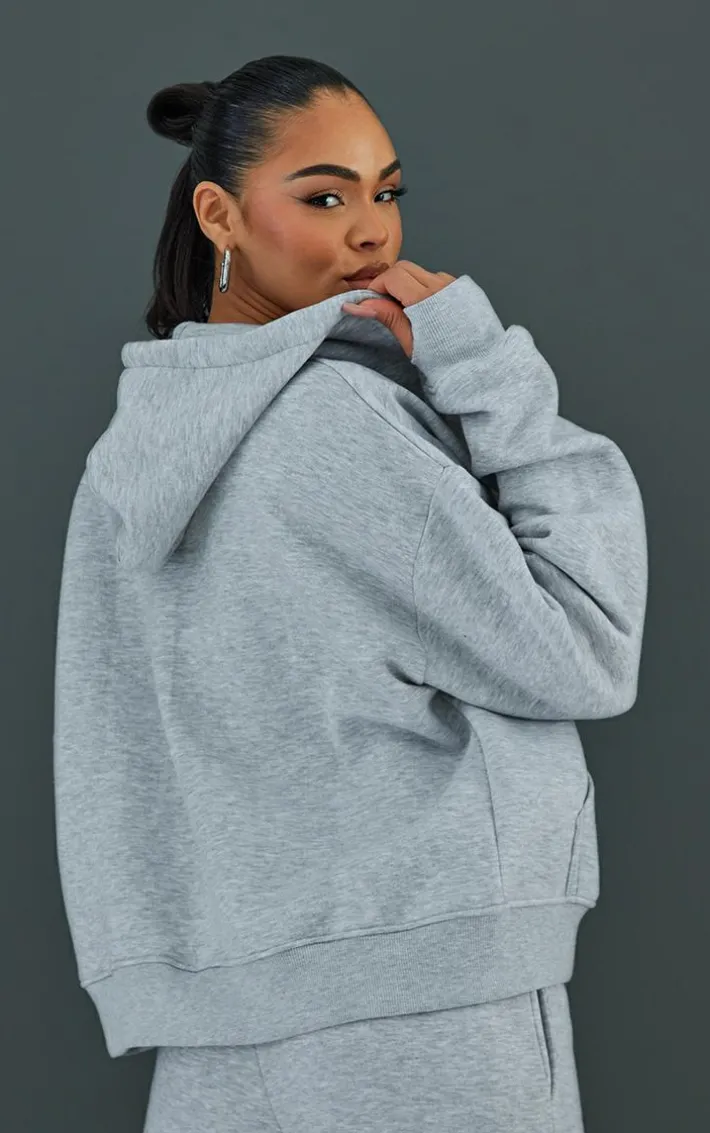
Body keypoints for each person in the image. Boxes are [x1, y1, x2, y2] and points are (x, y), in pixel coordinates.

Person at [53, 53, 648, 1133]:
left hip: (217, 1029)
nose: (372, 233)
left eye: (387, 192)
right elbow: (587, 646)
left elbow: (112, 750)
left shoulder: (127, 463)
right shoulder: (339, 424)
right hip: (428, 1007)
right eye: (325, 197)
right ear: (219, 215)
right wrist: (488, 370)